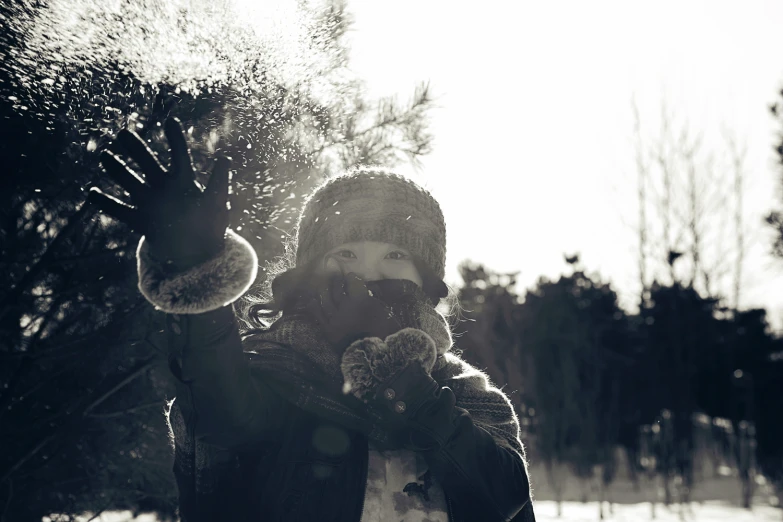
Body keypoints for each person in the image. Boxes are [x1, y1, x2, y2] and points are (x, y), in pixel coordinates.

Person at [88, 118, 536, 521]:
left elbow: (504, 497)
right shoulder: (269, 370)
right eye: (345, 254)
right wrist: (197, 271)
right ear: (311, 270)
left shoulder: (465, 393)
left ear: (426, 278)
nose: (367, 274)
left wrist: (392, 372)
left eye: (395, 255)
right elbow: (217, 413)